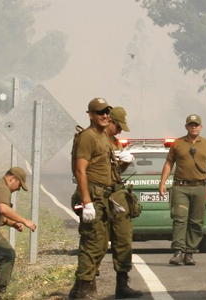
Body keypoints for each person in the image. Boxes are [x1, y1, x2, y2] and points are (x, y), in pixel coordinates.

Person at [68, 98, 117, 299]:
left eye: (106, 112)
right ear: (90, 115)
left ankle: (79, 288)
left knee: (100, 243)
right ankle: (84, 290)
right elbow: (80, 171)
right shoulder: (88, 137)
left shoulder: (104, 135)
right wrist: (87, 202)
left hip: (103, 196)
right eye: (99, 112)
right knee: (93, 243)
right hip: (92, 195)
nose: (104, 115)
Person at [158, 114, 206, 266]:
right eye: (191, 124)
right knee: (180, 218)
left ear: (201, 127)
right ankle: (178, 252)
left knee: (196, 221)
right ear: (186, 126)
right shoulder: (178, 144)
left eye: (196, 124)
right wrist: (162, 183)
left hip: (200, 187)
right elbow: (169, 163)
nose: (193, 127)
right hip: (181, 187)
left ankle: (189, 252)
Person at [0, 167, 37, 300]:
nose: (18, 189)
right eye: (19, 185)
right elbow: (3, 209)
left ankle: (1, 295)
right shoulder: (2, 188)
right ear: (12, 179)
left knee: (7, 254)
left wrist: (14, 224)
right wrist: (24, 221)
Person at [105, 106, 143, 298]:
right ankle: (84, 288)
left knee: (123, 240)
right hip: (98, 197)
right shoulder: (93, 139)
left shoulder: (115, 143)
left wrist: (125, 161)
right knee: (96, 243)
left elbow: (117, 172)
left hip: (116, 194)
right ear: (109, 121)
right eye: (118, 126)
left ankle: (122, 285)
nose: (120, 131)